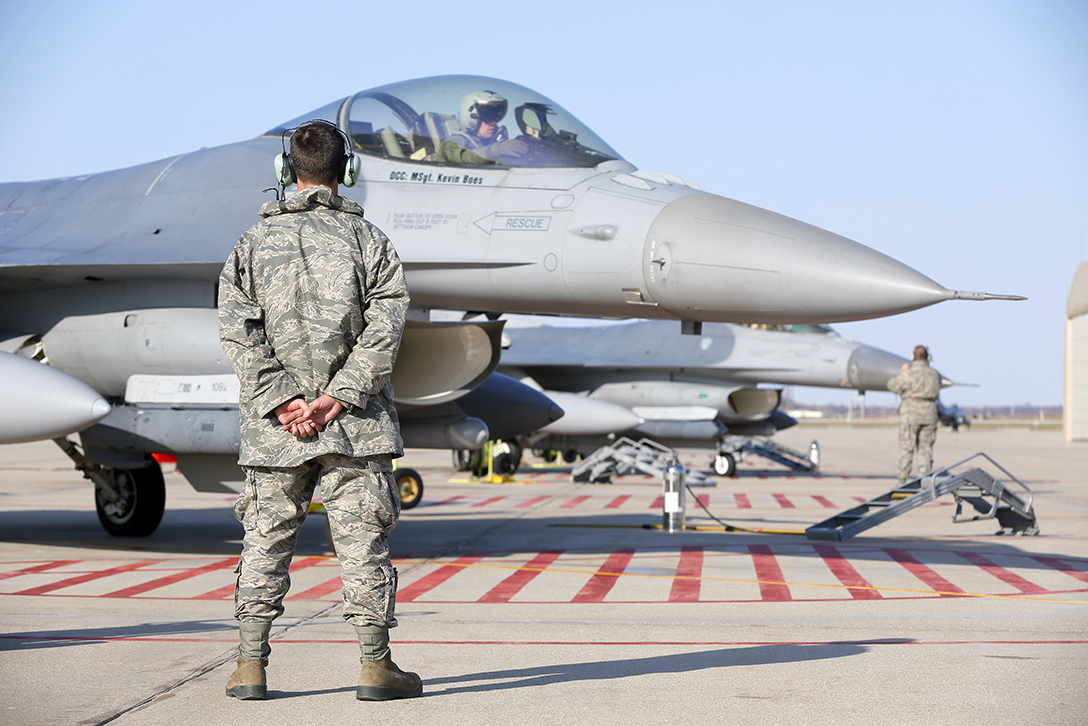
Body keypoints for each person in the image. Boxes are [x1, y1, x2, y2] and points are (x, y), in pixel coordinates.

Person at [217, 119, 420, 701]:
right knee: (362, 546)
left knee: (265, 542)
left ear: (286, 172)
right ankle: (375, 668)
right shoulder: (371, 242)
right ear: (346, 171)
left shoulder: (250, 246)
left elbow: (238, 333)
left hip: (276, 435)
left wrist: (285, 404)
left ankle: (250, 667)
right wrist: (337, 397)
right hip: (355, 428)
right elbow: (385, 330)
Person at [887, 345, 942, 483]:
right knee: (926, 450)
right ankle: (924, 481)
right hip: (930, 415)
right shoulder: (935, 374)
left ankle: (902, 481)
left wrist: (902, 372)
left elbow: (892, 385)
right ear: (928, 358)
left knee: (906, 448)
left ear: (913, 357)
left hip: (910, 415)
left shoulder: (908, 374)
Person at [438, 90, 529, 164]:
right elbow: (463, 158)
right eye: (488, 117)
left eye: (496, 117)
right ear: (471, 118)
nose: (494, 122)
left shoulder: (493, 142)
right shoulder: (453, 142)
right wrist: (495, 150)